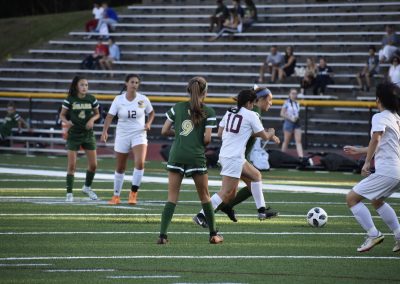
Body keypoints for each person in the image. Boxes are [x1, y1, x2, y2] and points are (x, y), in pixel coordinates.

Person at [193, 89, 280, 227]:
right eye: (252, 103)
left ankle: (262, 211)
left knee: (256, 176)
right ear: (249, 102)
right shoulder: (251, 115)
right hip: (234, 157)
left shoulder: (230, 111)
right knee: (226, 192)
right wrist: (271, 132)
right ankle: (201, 215)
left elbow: (220, 133)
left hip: (230, 154)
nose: (253, 105)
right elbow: (264, 136)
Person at [157, 76, 223, 245]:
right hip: (196, 156)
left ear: (188, 90)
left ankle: (162, 236)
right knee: (205, 197)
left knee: (172, 197)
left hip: (176, 155)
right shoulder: (209, 111)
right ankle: (213, 235)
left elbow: (164, 130)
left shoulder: (178, 107)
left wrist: (179, 133)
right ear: (205, 92)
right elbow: (207, 139)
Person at [344, 82, 400, 253]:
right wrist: (360, 151)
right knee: (377, 200)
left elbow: (376, 139)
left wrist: (367, 162)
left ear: (378, 99)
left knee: (352, 199)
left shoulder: (379, 117)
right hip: (396, 170)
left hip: (387, 171)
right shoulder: (396, 118)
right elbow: (383, 144)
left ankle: (373, 234)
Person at [101, 74, 155, 205]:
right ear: (126, 83)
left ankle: (133, 193)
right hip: (122, 135)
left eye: (137, 82)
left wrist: (148, 123)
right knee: (120, 167)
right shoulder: (118, 100)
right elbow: (109, 116)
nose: (134, 85)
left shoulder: (142, 99)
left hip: (139, 134)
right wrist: (105, 131)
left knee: (140, 163)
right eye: (132, 82)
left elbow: (151, 113)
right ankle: (116, 196)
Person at [59, 76, 100, 202]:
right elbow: (62, 115)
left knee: (93, 165)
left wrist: (92, 120)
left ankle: (87, 188)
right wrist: (67, 122)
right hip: (74, 135)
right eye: (82, 85)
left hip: (88, 135)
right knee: (72, 165)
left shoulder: (92, 99)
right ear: (76, 86)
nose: (85, 87)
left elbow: (98, 114)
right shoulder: (70, 99)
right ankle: (69, 193)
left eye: (86, 85)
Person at [280, 88, 304, 159]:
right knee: (286, 141)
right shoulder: (286, 102)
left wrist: (295, 118)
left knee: (299, 141)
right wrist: (291, 118)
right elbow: (282, 113)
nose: (294, 95)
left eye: (295, 93)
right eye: (293, 93)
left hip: (296, 122)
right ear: (289, 94)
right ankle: (282, 156)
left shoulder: (297, 103)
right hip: (289, 122)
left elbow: (296, 113)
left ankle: (301, 157)